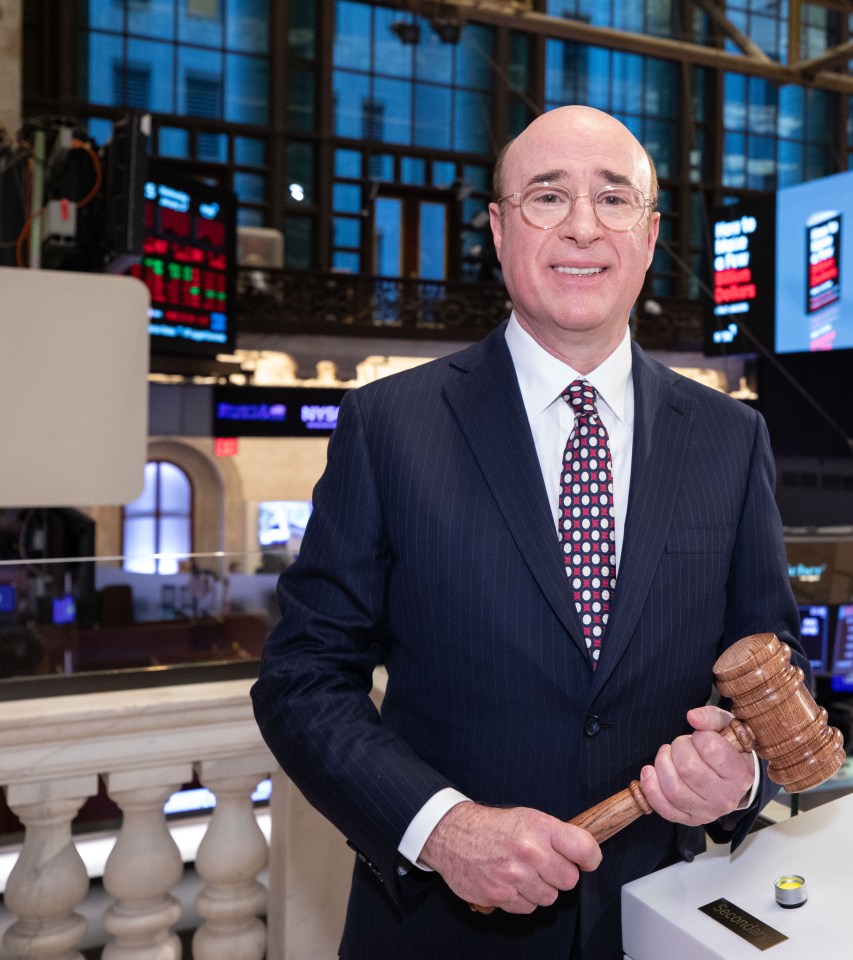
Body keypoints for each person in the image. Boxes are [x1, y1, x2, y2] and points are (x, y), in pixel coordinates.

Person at [251, 105, 802, 959]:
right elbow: (302, 680)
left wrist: (740, 778)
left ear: (650, 237)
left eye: (614, 199)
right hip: (440, 930)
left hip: (660, 921)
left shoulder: (732, 439)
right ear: (501, 231)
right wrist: (441, 828)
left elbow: (771, 668)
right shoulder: (389, 426)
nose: (583, 225)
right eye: (548, 196)